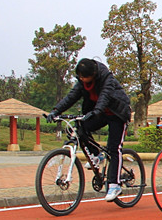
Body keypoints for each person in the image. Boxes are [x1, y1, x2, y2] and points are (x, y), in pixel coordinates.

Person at [46, 58, 132, 202]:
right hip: (100, 113)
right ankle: (97, 155)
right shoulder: (82, 82)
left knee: (114, 148)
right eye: (80, 77)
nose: (82, 79)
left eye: (85, 77)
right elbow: (71, 96)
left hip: (117, 113)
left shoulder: (106, 78)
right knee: (80, 128)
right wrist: (56, 110)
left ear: (94, 74)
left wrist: (95, 111)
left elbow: (104, 97)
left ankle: (114, 185)